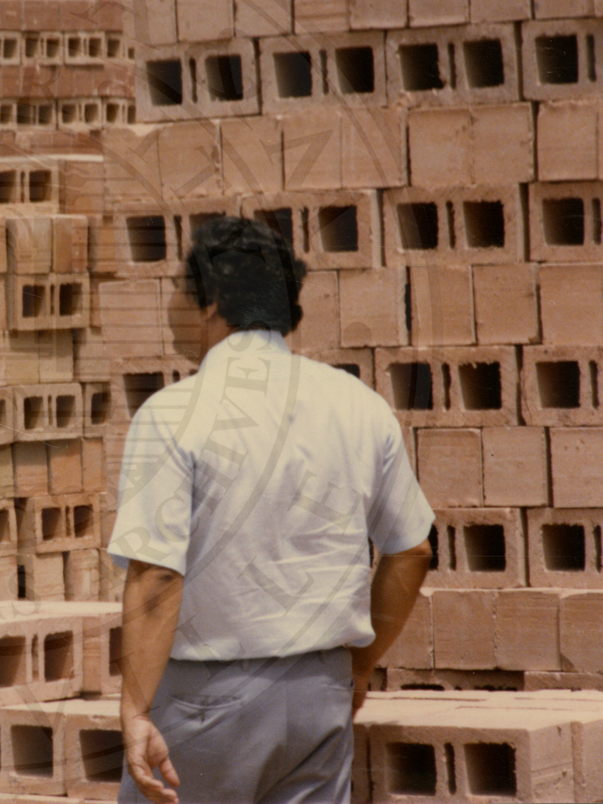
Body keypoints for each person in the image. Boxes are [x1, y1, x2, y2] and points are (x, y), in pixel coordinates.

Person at [108, 215, 434, 804]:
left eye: (179, 290)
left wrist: (134, 711)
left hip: (208, 702)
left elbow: (156, 576)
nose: (173, 306)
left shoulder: (173, 413)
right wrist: (360, 667)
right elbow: (412, 551)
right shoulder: (359, 406)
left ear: (211, 301)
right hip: (320, 697)